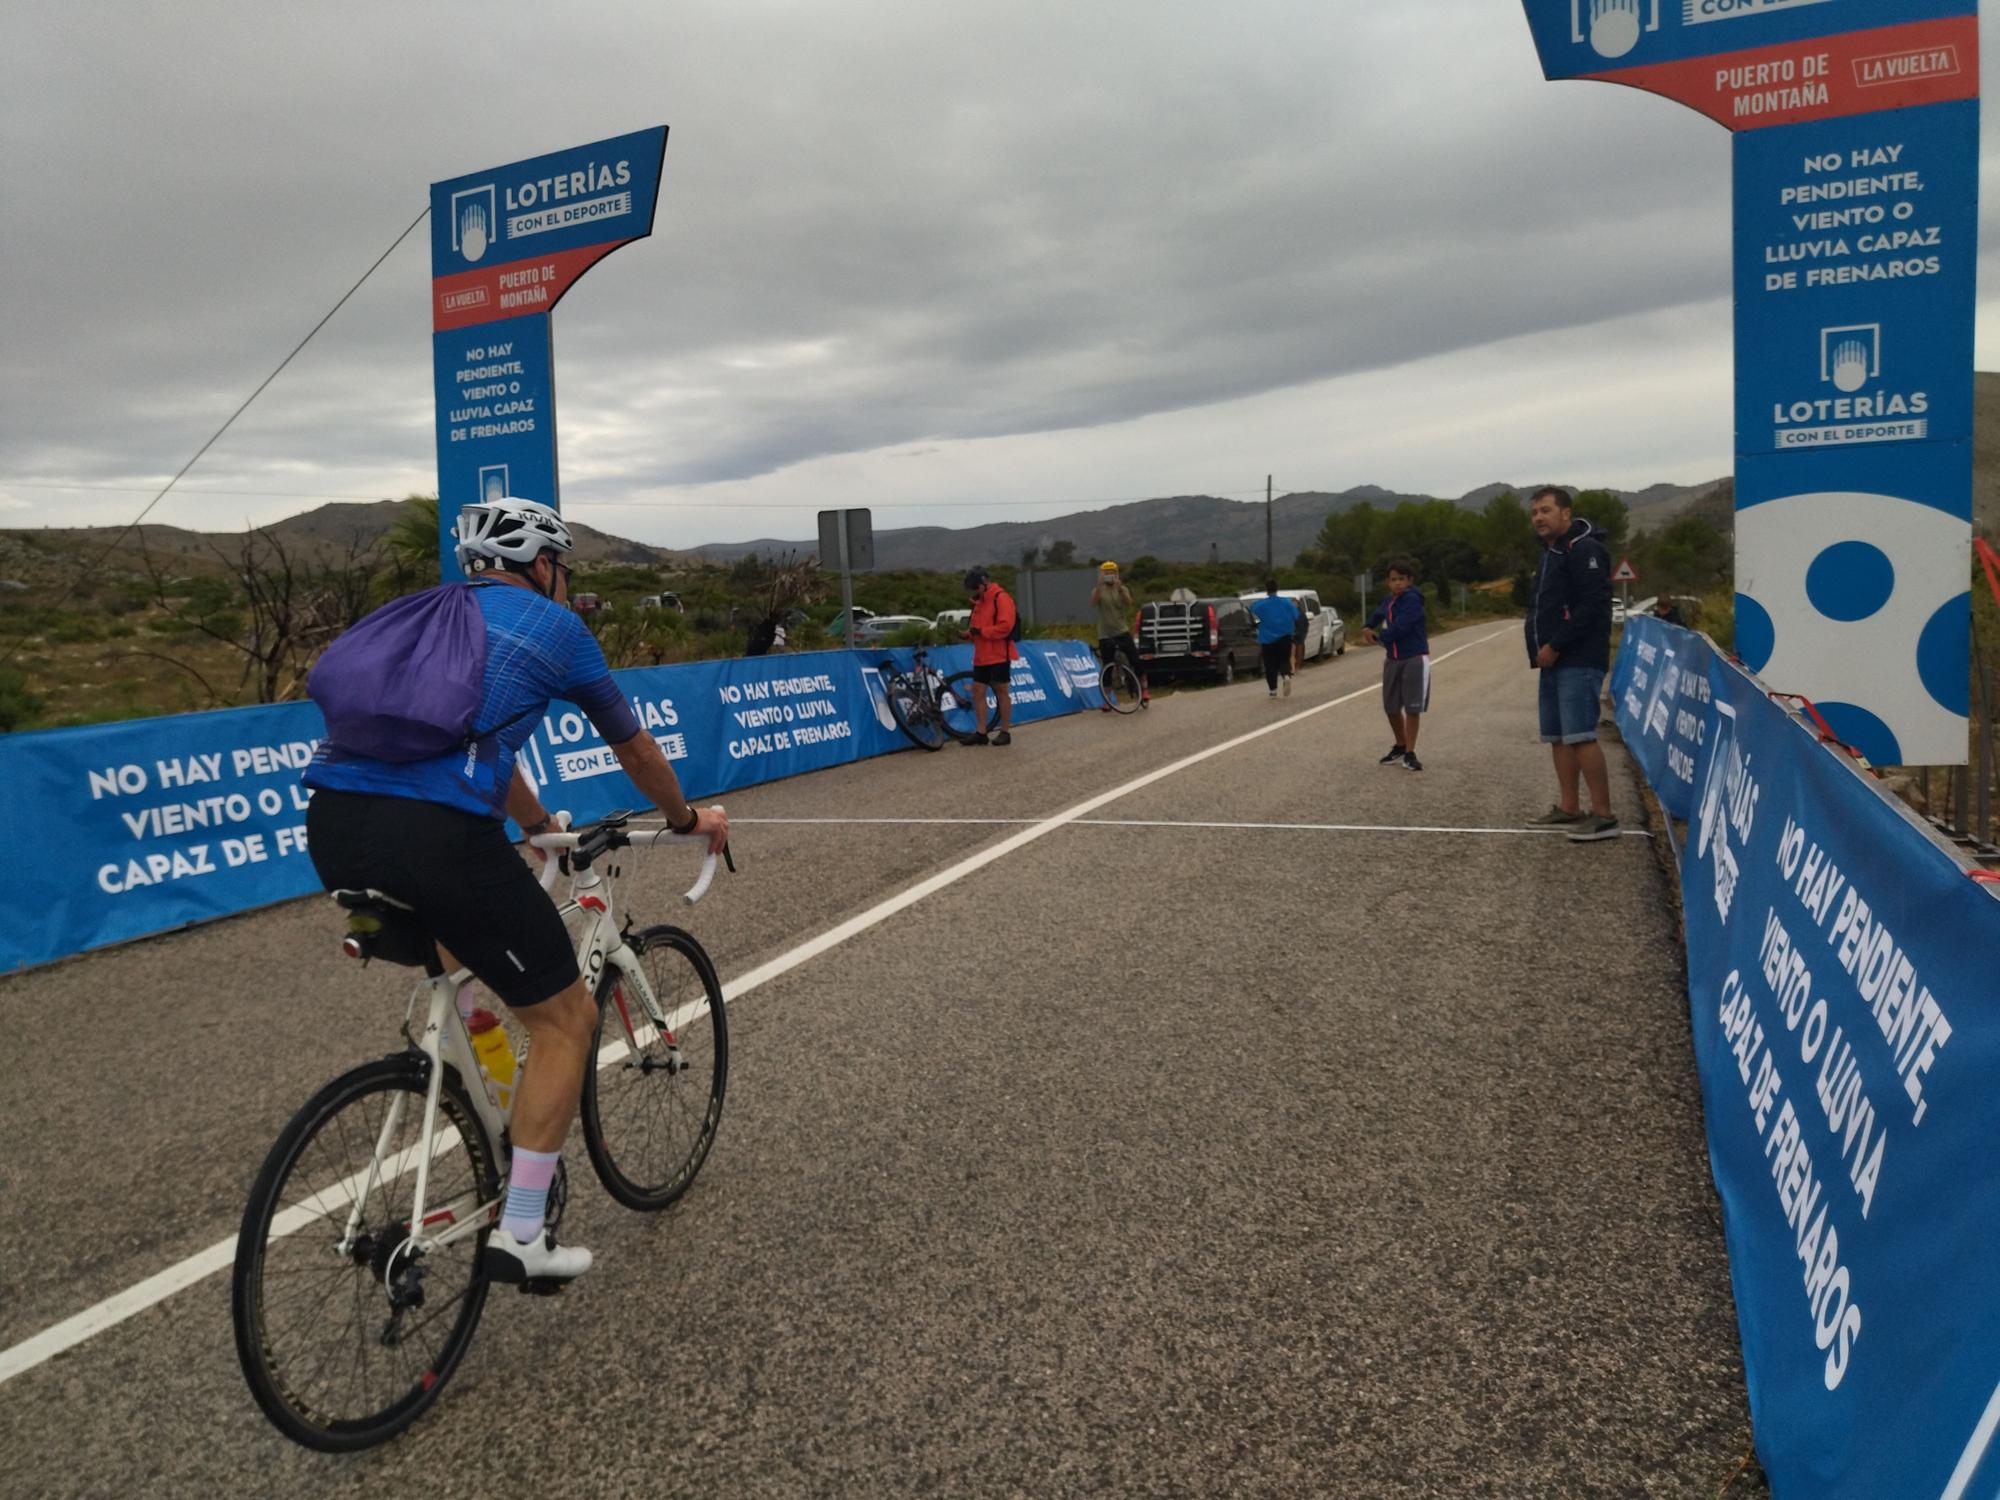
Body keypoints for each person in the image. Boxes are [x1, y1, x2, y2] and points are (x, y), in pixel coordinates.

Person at [301, 497, 730, 1286]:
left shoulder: (429, 616)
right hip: (435, 836)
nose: (564, 583)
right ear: (542, 565)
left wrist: (534, 824)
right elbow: (633, 749)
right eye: (562, 569)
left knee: (457, 955)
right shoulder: (556, 628)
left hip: (331, 822)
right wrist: (685, 816)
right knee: (566, 1018)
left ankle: (471, 1069)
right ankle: (522, 1231)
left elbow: (469, 749)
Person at [1525, 486, 1618, 841]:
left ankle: (1604, 815)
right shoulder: (1550, 553)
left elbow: (1592, 606)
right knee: (1558, 737)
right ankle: (1569, 808)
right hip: (1551, 660)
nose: (1538, 518)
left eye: (1546, 510)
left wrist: (1556, 644)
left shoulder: (1586, 549)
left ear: (1566, 513)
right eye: (1535, 512)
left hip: (1577, 658)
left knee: (1580, 736)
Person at [1362, 559, 1430, 771]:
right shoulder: (1388, 600)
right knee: (1391, 706)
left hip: (1414, 658)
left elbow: (1402, 626)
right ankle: (1400, 745)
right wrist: (1366, 626)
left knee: (1412, 707)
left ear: (1409, 581)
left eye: (1402, 579)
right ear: (1388, 582)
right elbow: (1377, 615)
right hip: (1393, 658)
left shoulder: (1412, 600)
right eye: (1393, 580)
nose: (1398, 583)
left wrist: (1380, 637)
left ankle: (1410, 752)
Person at [962, 566, 1019, 745]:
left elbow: (1005, 627)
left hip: (1000, 654)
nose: (974, 591)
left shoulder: (1001, 598)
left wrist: (981, 632)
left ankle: (1005, 731)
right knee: (978, 691)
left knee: (1001, 691)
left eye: (975, 587)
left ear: (984, 582)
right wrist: (969, 634)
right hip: (981, 655)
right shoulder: (979, 603)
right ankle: (981, 732)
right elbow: (977, 628)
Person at [1090, 561, 1148, 710]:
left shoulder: (1122, 588)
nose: (1109, 576)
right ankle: (1107, 699)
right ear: (1102, 575)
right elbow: (1092, 603)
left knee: (1135, 660)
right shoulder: (1098, 590)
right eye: (1106, 573)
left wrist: (1120, 588)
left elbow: (1129, 603)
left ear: (1117, 574)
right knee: (1107, 667)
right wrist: (1099, 586)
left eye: (1112, 573)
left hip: (1122, 631)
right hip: (1105, 634)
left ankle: (1145, 689)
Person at [1249, 580, 1301, 698]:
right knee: (1284, 659)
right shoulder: (1287, 603)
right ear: (1277, 588)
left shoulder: (1260, 605)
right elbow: (1296, 615)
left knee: (1270, 664)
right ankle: (1286, 675)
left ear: (1267, 590)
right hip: (1285, 637)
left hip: (1267, 639)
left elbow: (1251, 613)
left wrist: (1259, 622)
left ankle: (1273, 690)